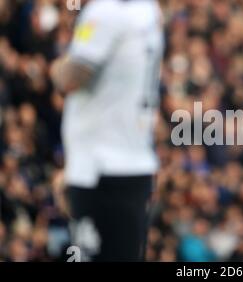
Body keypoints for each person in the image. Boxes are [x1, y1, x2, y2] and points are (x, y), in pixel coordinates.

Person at [50, 0, 164, 261]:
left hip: (101, 170)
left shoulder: (106, 12)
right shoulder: (147, 10)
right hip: (131, 165)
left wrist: (54, 68)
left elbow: (72, 77)